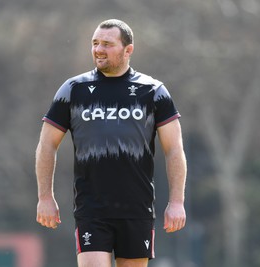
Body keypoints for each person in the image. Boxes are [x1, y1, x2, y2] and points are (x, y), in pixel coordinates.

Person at [35, 19, 187, 267]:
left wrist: (177, 202)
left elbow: (174, 149)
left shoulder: (153, 91)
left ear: (128, 50)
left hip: (137, 209)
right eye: (95, 43)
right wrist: (45, 197)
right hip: (91, 209)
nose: (98, 49)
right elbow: (46, 144)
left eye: (107, 44)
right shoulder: (73, 90)